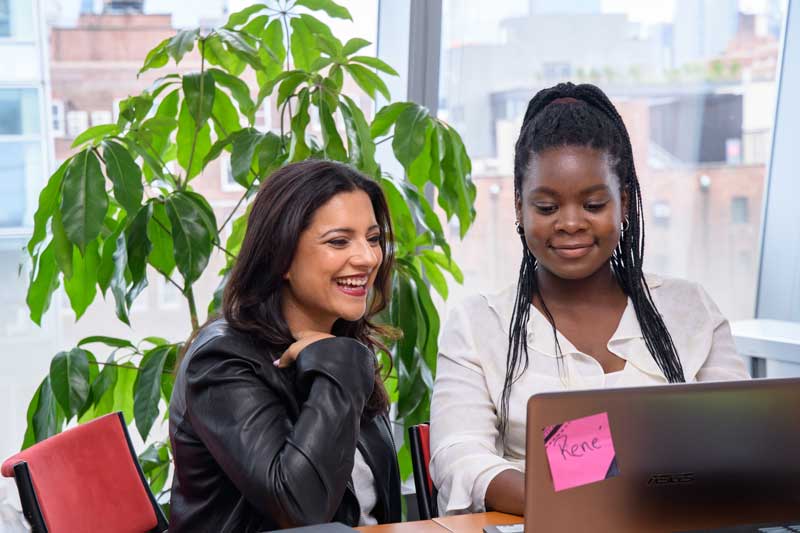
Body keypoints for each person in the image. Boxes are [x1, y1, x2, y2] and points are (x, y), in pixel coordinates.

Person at [429, 82, 749, 516]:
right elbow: (459, 455)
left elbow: (740, 442)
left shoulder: (690, 309)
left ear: (626, 204)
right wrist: (581, 502)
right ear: (519, 209)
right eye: (546, 208)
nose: (570, 223)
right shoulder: (477, 323)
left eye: (594, 204)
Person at [168, 160, 402, 532]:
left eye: (373, 238)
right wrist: (342, 367)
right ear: (282, 258)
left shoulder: (341, 344)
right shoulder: (222, 361)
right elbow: (301, 509)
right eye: (339, 241)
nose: (369, 258)